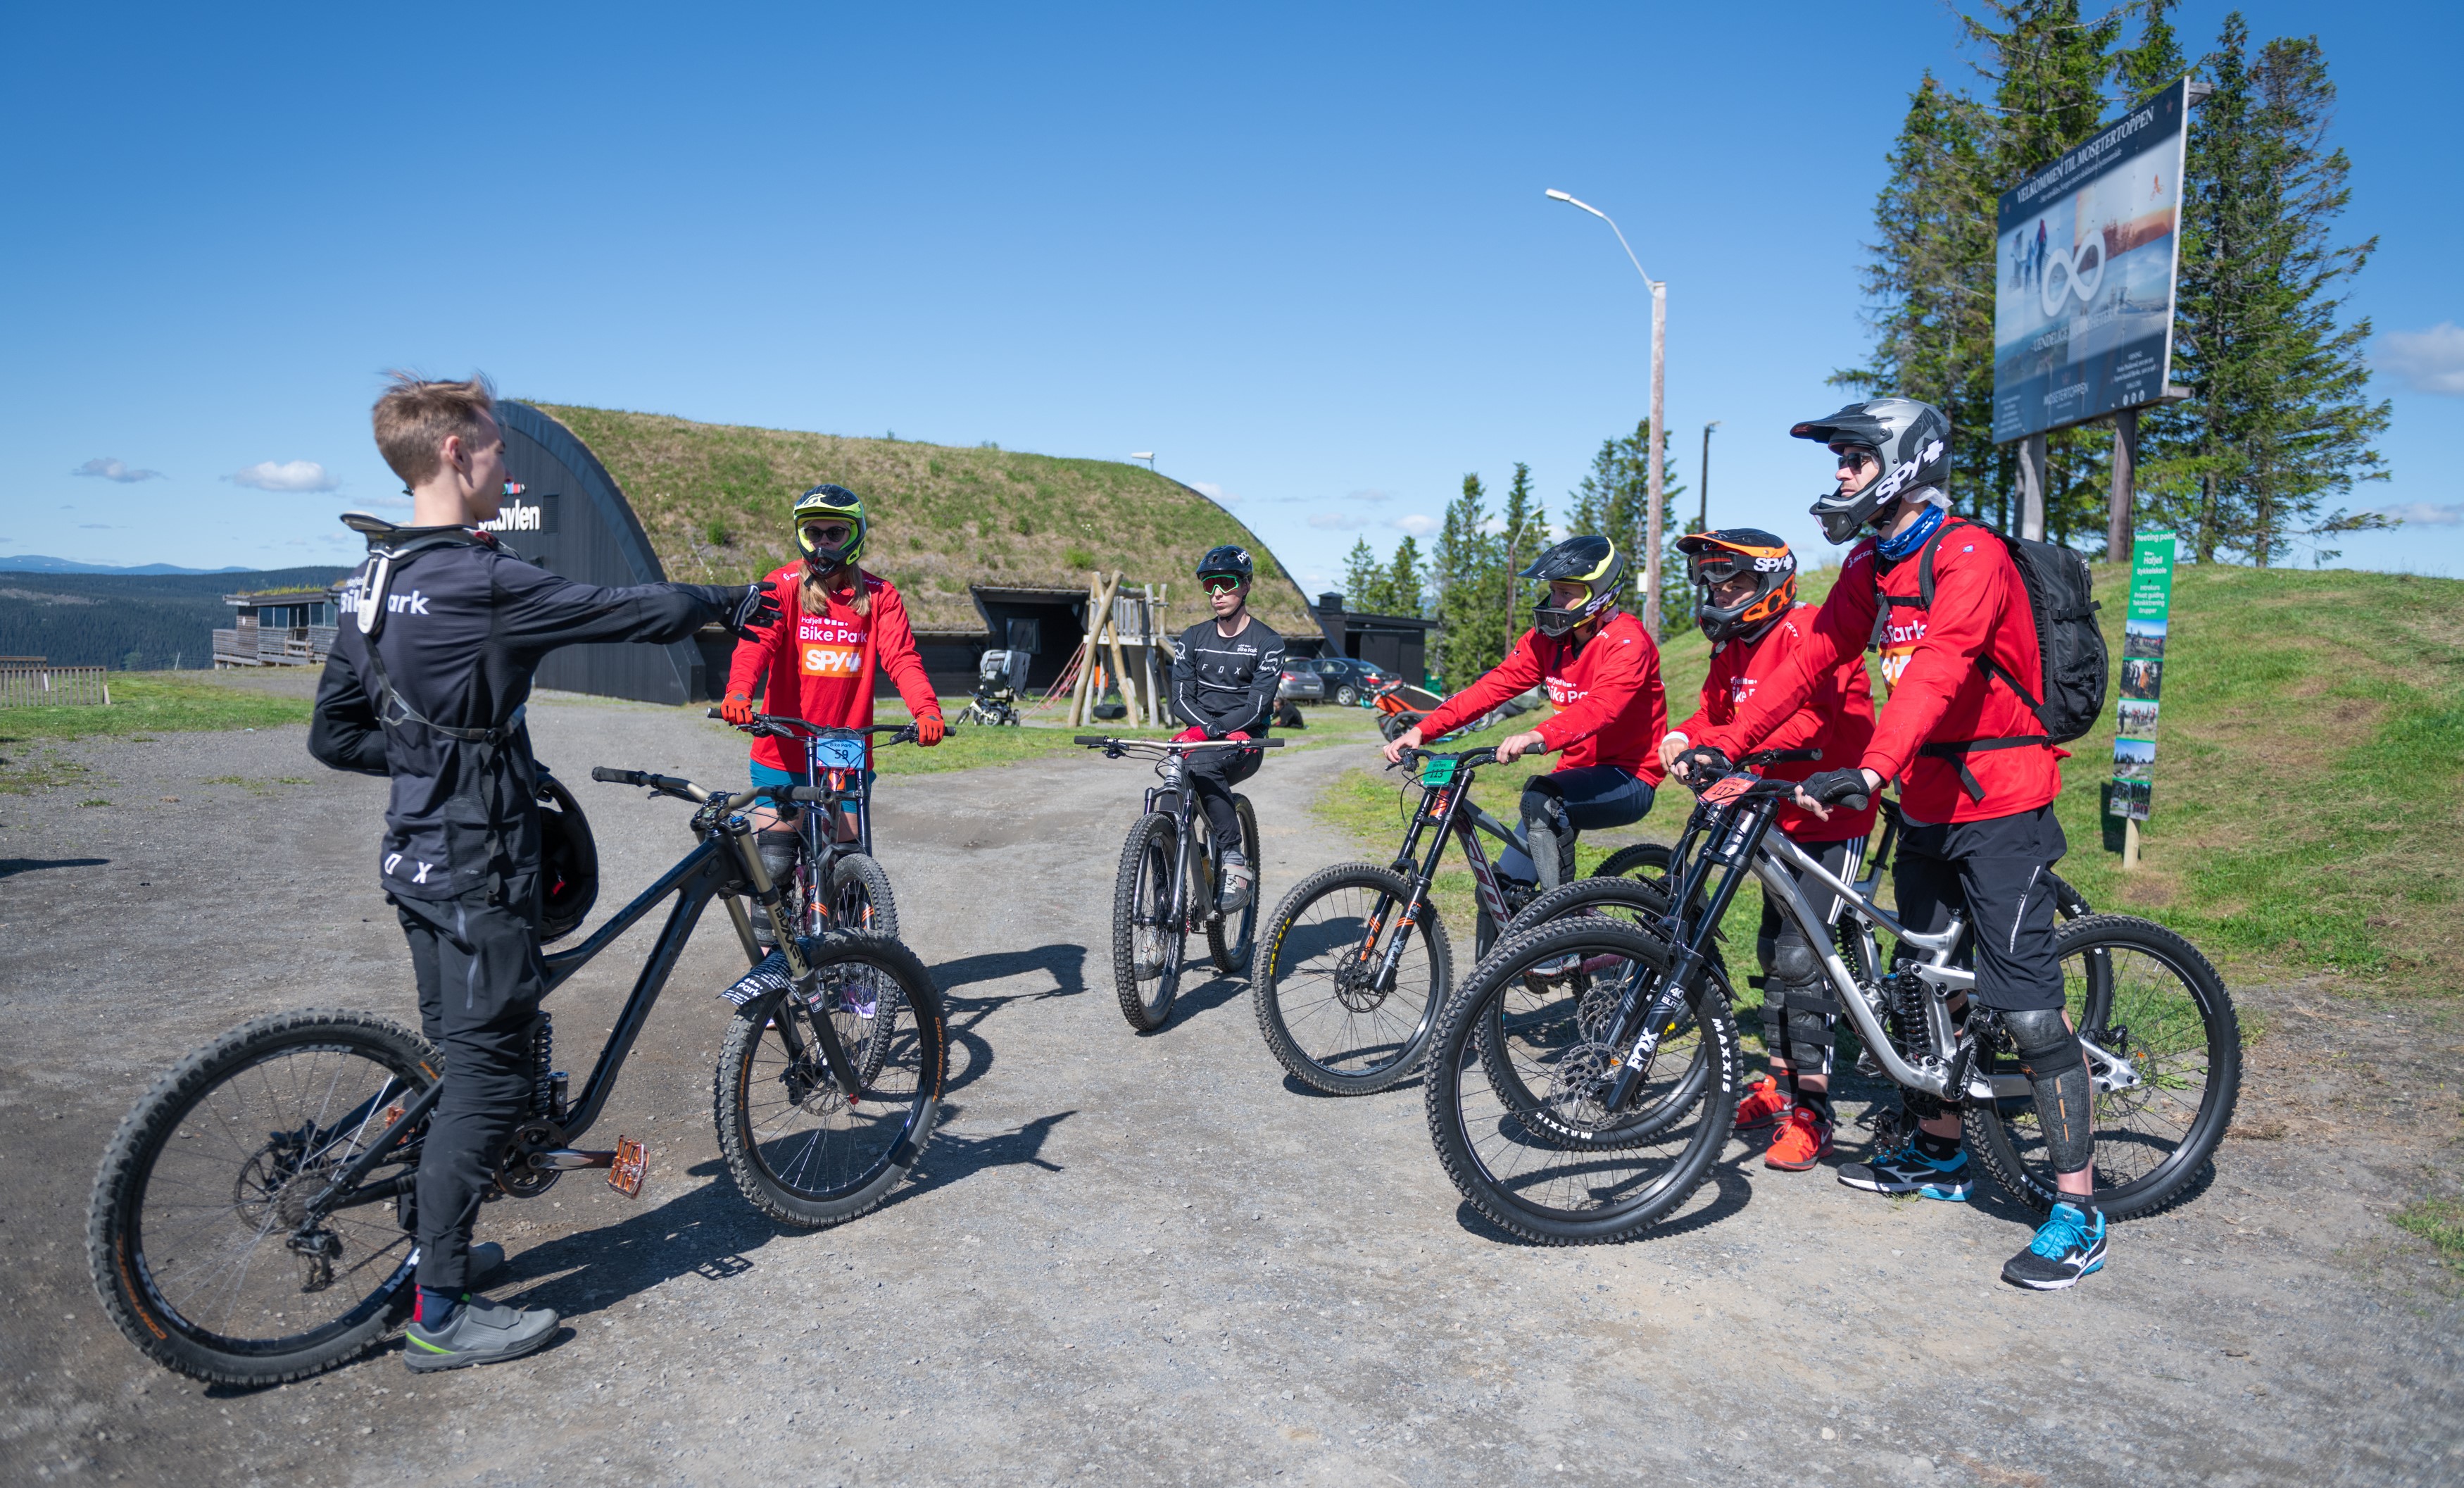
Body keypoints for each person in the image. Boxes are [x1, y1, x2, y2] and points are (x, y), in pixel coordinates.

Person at [309, 373, 781, 1369]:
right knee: (484, 1081)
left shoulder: (370, 585)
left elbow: (335, 734)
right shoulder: (481, 581)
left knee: (453, 1064)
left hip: (413, 858)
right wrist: (728, 603)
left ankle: (434, 1249)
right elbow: (625, 611)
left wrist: (437, 762)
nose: (506, 465)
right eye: (493, 449)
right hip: (479, 866)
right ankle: (437, 1314)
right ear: (452, 455)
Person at [1671, 397, 2106, 1291]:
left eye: (1852, 460)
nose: (1837, 474)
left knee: (2023, 1008)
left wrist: (1868, 770)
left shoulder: (1967, 553)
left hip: (2002, 801)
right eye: (1837, 461)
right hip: (1928, 802)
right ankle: (1942, 1154)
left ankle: (2077, 1206)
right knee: (1922, 985)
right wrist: (1731, 740)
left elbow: (1940, 668)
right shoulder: (1873, 559)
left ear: (1908, 460)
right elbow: (1814, 657)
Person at [1657, 528, 1875, 1174]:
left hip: (1831, 820)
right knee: (1773, 957)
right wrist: (1682, 736)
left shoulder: (1813, 630)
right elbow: (1713, 715)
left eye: (1734, 582)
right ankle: (1779, 1088)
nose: (1721, 593)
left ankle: (1815, 1115)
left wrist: (1734, 749)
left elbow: (1814, 723)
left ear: (1773, 579)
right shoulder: (1737, 645)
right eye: (1714, 583)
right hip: (1770, 819)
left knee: (1803, 961)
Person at [719, 483, 944, 946]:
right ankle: (772, 979)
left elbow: (901, 658)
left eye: (834, 533)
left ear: (855, 535)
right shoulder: (780, 586)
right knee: (776, 865)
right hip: (781, 751)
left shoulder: (880, 596)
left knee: (847, 866)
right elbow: (756, 643)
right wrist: (739, 691)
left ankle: (848, 968)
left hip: (844, 755)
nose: (822, 543)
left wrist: (926, 709)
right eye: (813, 532)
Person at [1381, 535, 1666, 894]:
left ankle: (1563, 922)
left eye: (1567, 593)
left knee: (1540, 797)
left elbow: (1602, 707)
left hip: (1629, 777)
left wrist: (1538, 735)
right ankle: (1518, 942)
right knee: (1498, 890)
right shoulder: (1549, 640)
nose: (1555, 602)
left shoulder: (1628, 643)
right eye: (1554, 591)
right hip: (1570, 778)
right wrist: (1424, 730)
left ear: (1601, 592)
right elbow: (1492, 687)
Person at [1168, 544, 1285, 911]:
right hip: (1202, 736)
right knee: (1170, 782)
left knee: (1200, 764)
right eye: (1209, 585)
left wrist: (1213, 734)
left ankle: (1233, 857)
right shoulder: (1192, 638)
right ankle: (1172, 864)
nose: (1217, 593)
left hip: (1246, 743)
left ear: (1246, 585)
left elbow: (1258, 707)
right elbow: (1180, 701)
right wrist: (1210, 730)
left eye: (1226, 583)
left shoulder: (1268, 643)